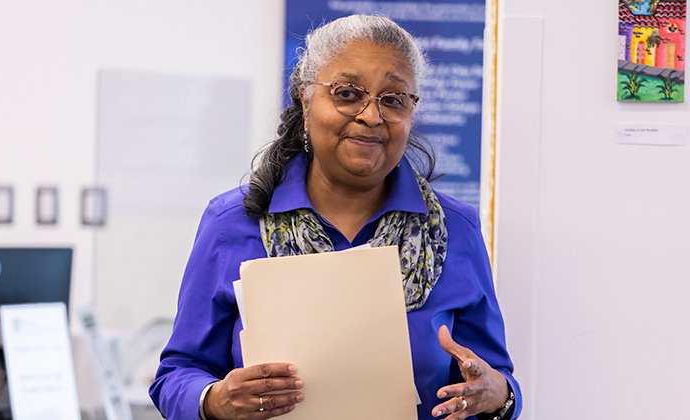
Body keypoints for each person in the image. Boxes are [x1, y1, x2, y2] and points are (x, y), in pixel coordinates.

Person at [150, 14, 521, 420]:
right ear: (306, 100)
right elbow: (176, 374)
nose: (371, 116)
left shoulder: (454, 229)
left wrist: (496, 393)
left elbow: (498, 380)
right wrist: (215, 400)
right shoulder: (231, 222)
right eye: (347, 93)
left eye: (393, 99)